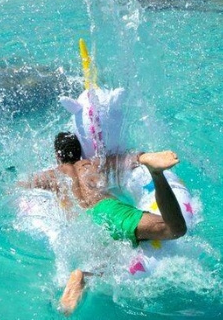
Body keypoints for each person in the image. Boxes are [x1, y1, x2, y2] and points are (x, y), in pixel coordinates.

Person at [22, 133, 187, 315]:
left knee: (107, 264)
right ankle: (157, 174)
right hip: (107, 209)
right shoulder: (91, 164)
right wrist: (142, 156)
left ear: (57, 155)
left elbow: (22, 186)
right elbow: (129, 160)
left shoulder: (53, 175)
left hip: (81, 224)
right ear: (80, 150)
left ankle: (83, 277)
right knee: (173, 229)